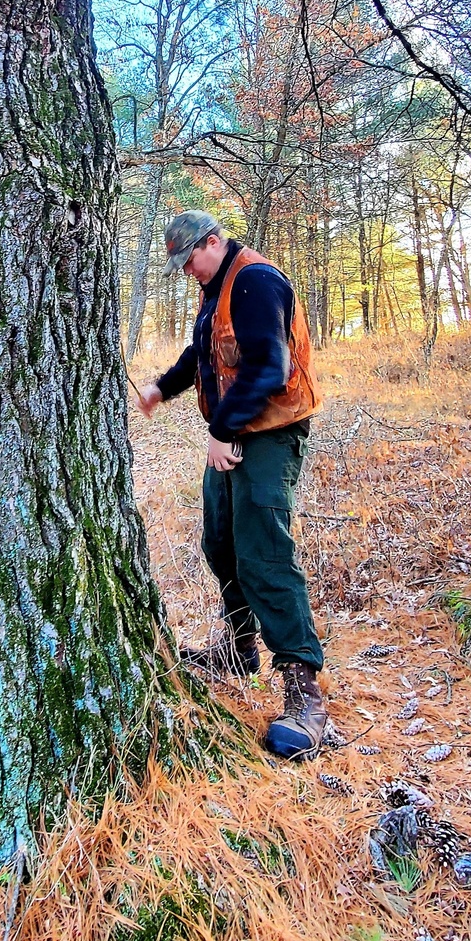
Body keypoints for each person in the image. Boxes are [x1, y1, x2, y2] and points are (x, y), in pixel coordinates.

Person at [137, 210, 327, 757]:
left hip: (268, 431)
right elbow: (205, 351)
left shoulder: (256, 280)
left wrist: (220, 430)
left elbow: (269, 367)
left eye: (189, 259)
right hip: (233, 431)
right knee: (219, 541)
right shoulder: (216, 286)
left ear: (213, 243)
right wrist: (162, 388)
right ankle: (240, 647)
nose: (186, 270)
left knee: (263, 550)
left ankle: (303, 688)